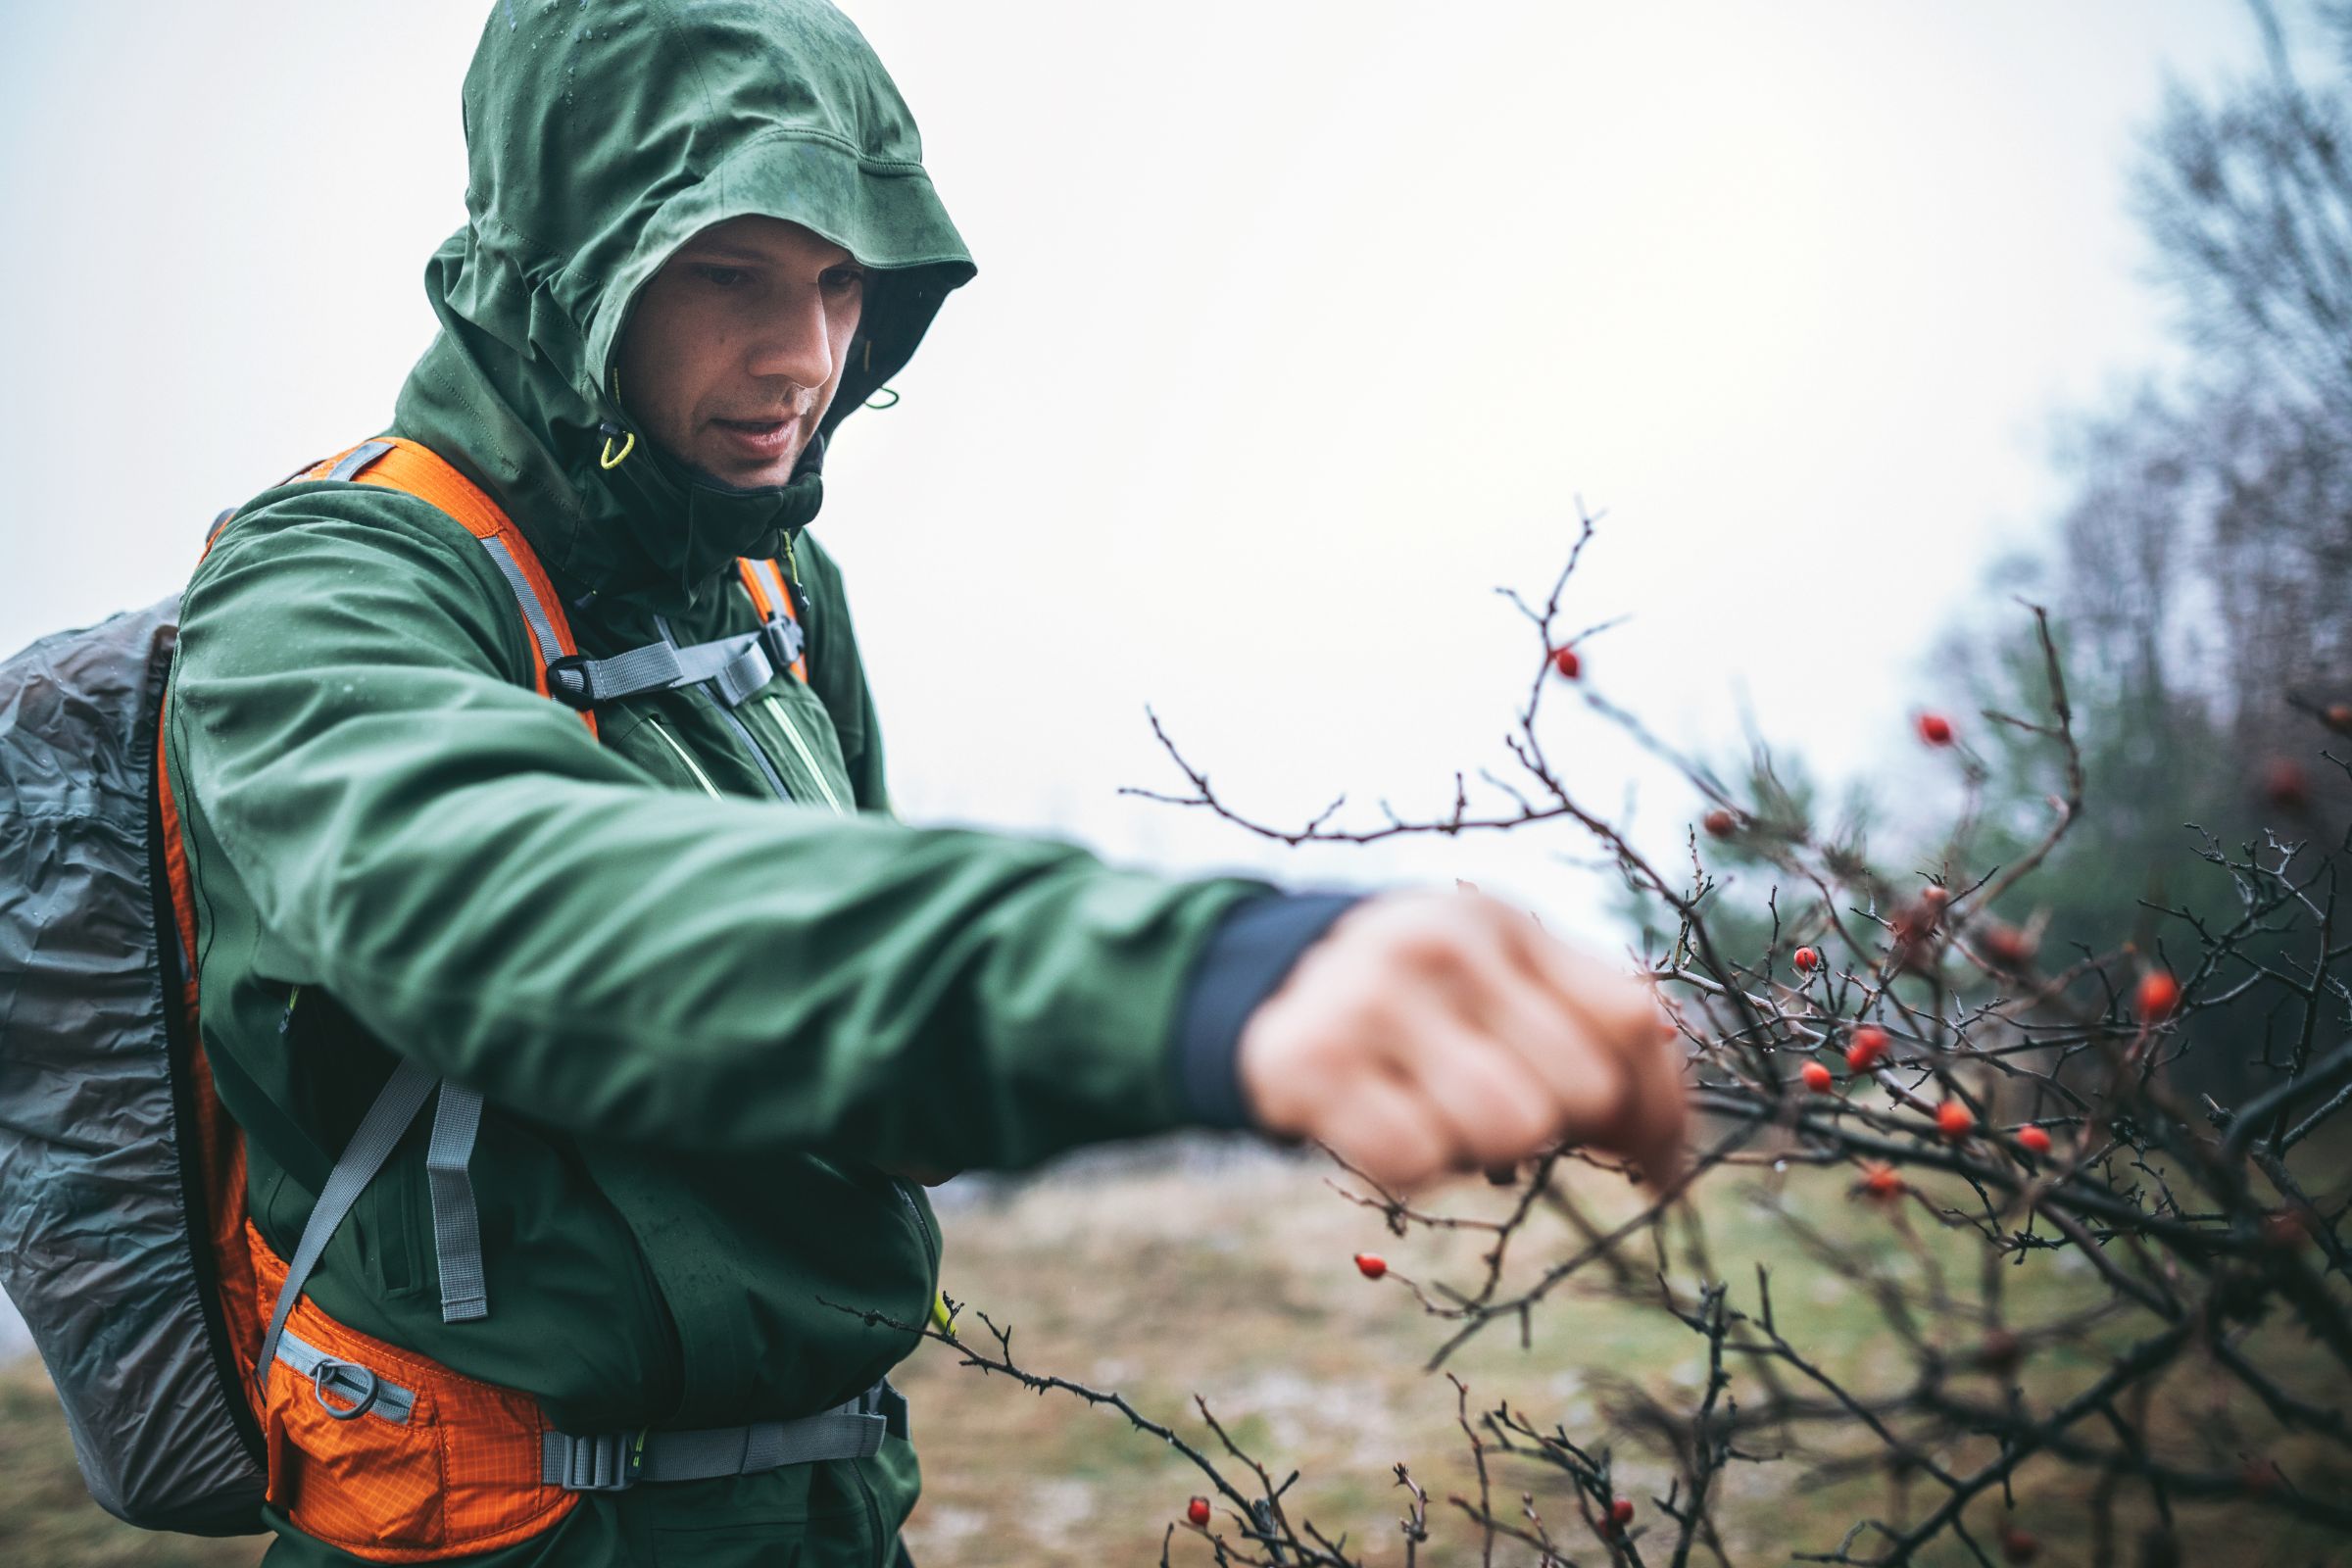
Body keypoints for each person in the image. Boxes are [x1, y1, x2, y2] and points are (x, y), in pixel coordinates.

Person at [161, 2, 1687, 1564]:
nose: (807, 359)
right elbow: (512, 907)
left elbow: (864, 1049)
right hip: (506, 1534)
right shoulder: (328, 589)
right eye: (730, 274)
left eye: (842, 284)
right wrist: (1184, 983)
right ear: (568, 269)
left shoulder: (768, 586)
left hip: (830, 1510)